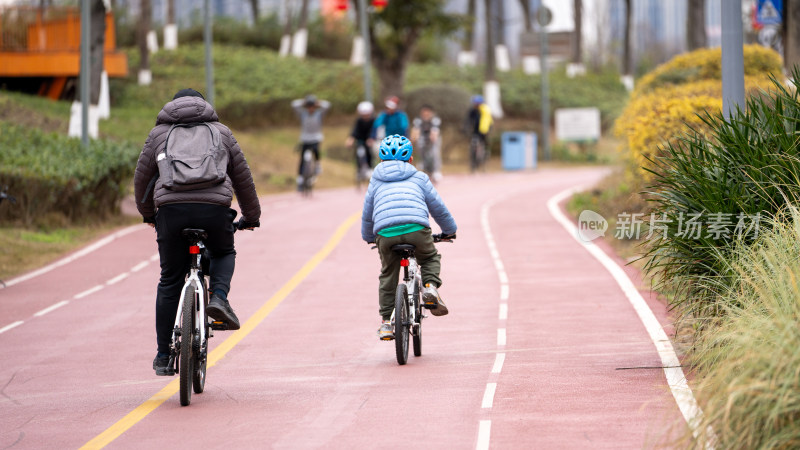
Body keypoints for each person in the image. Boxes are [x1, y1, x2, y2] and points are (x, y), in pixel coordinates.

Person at [134, 88, 261, 376]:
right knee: (224, 251)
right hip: (214, 208)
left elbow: (141, 179)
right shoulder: (221, 132)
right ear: (204, 105)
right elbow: (243, 177)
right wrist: (251, 216)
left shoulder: (159, 134)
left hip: (170, 211)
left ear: (172, 106)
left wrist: (148, 214)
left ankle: (164, 355)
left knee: (170, 279)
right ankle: (218, 297)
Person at [361, 135, 457, 340]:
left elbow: (367, 213)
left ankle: (387, 322)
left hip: (385, 233)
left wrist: (368, 236)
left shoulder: (375, 180)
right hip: (417, 229)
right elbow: (438, 208)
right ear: (411, 159)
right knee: (430, 257)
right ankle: (430, 287)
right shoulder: (419, 177)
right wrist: (449, 230)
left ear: (380, 160)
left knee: (388, 274)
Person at [291, 94, 331, 189]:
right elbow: (294, 104)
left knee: (316, 150)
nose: (310, 109)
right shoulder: (303, 114)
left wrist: (318, 102)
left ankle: (317, 165)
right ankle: (300, 178)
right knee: (302, 158)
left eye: (312, 106)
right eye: (308, 106)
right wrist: (304, 101)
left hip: (316, 138)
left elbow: (328, 105)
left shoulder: (319, 114)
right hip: (305, 139)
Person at [410, 104, 443, 182]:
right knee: (421, 148)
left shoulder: (435, 120)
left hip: (433, 138)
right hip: (422, 137)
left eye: (427, 112)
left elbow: (435, 132)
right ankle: (422, 166)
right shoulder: (418, 120)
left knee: (434, 152)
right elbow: (415, 131)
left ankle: (436, 171)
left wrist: (431, 139)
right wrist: (413, 140)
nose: (425, 114)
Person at [345, 101, 376, 172]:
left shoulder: (374, 121)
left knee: (370, 152)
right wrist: (350, 140)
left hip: (370, 141)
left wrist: (372, 139)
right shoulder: (359, 121)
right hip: (360, 141)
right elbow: (355, 131)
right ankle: (359, 169)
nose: (365, 117)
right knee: (358, 152)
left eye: (367, 115)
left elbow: (375, 131)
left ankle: (370, 167)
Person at [466, 95, 493, 171]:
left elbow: (489, 122)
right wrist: (467, 128)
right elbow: (468, 121)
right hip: (475, 133)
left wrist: (489, 131)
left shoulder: (485, 111)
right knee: (473, 147)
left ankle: (484, 164)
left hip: (484, 133)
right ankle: (474, 165)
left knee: (485, 148)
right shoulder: (472, 111)